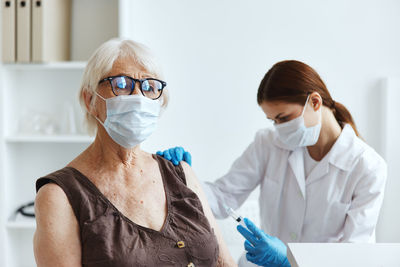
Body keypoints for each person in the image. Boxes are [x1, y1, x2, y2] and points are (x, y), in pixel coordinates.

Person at [158, 60, 387, 267]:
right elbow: (222, 197)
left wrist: (290, 262)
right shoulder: (268, 143)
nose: (278, 128)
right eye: (273, 120)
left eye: (284, 118)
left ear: (315, 102)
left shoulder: (368, 167)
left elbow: (354, 257)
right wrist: (184, 177)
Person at [33, 39, 237, 267]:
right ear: (90, 100)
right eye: (121, 84)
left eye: (150, 87)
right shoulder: (60, 195)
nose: (138, 97)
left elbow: (224, 262)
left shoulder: (181, 173)